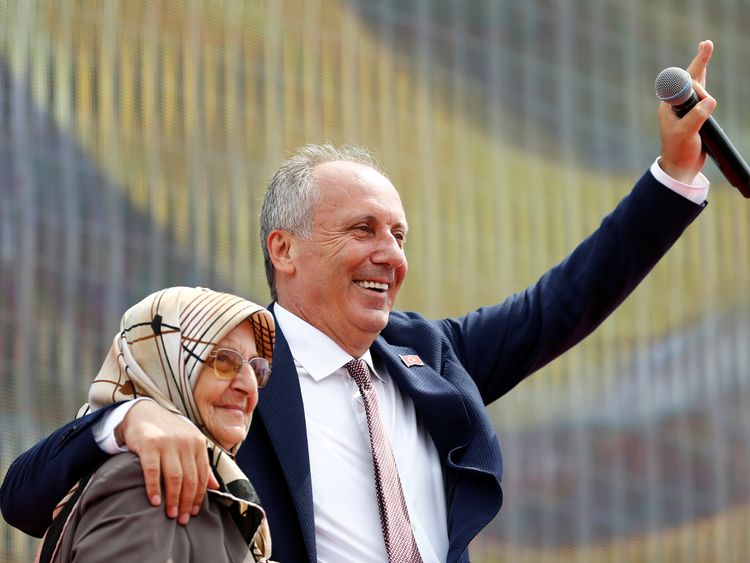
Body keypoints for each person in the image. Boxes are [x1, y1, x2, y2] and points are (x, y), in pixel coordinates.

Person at [2, 41, 718, 562]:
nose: (391, 254)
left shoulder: (432, 356)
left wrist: (673, 176)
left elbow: (565, 301)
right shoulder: (229, 376)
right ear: (284, 249)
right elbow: (25, 496)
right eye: (363, 229)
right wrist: (127, 420)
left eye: (400, 234)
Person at [35, 287, 275, 562]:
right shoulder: (147, 478)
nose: (249, 387)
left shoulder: (208, 487)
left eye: (257, 370)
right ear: (165, 364)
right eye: (223, 360)